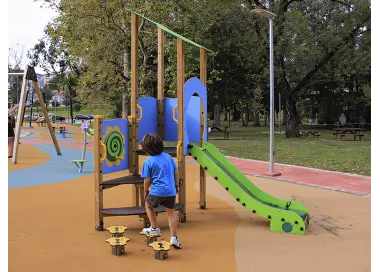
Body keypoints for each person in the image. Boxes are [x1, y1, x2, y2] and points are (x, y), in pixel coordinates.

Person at [140, 133, 182, 249]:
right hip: (170, 191)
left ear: (146, 149)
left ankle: (154, 228)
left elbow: (147, 180)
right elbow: (176, 171)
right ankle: (174, 238)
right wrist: (176, 185)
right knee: (171, 213)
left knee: (148, 205)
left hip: (157, 191)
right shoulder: (168, 157)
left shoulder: (148, 162)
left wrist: (145, 192)